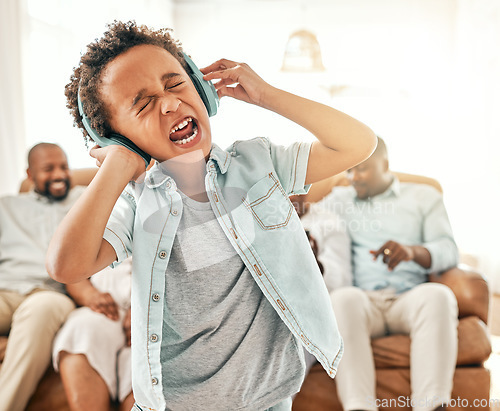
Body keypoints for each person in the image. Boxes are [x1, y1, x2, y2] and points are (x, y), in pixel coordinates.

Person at [46, 20, 377, 411]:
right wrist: (117, 164)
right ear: (116, 137)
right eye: (142, 103)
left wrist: (266, 95)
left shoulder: (260, 163)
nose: (169, 103)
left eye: (175, 84)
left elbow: (358, 144)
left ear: (202, 89)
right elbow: (66, 265)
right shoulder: (136, 206)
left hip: (268, 401)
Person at [316, 137, 459, 411]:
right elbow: (308, 222)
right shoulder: (338, 200)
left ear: (386, 165)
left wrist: (412, 251)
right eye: (349, 170)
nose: (353, 177)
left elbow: (448, 249)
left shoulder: (423, 197)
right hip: (364, 302)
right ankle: (359, 406)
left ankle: (431, 406)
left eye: (363, 169)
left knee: (439, 295)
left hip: (410, 299)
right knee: (342, 299)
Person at [0, 143, 85, 410]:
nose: (59, 174)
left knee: (41, 308)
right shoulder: (7, 207)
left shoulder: (86, 198)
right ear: (30, 174)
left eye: (63, 167)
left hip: (52, 294)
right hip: (7, 290)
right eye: (48, 169)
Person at [52, 257, 134, 411]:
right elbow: (72, 270)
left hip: (158, 309)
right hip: (105, 306)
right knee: (79, 329)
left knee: (149, 348)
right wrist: (88, 293)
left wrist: (148, 310)